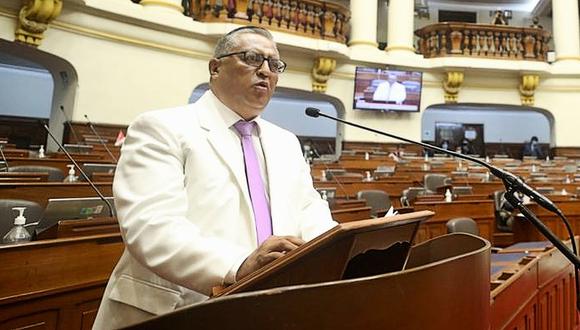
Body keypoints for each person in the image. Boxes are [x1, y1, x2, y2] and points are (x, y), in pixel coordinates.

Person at [93, 26, 337, 329]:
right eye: (252, 58)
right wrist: (239, 265)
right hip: (179, 307)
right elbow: (151, 226)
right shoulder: (162, 127)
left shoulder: (285, 141)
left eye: (274, 65)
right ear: (215, 67)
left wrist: (334, 249)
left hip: (268, 304)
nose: (265, 71)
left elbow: (309, 209)